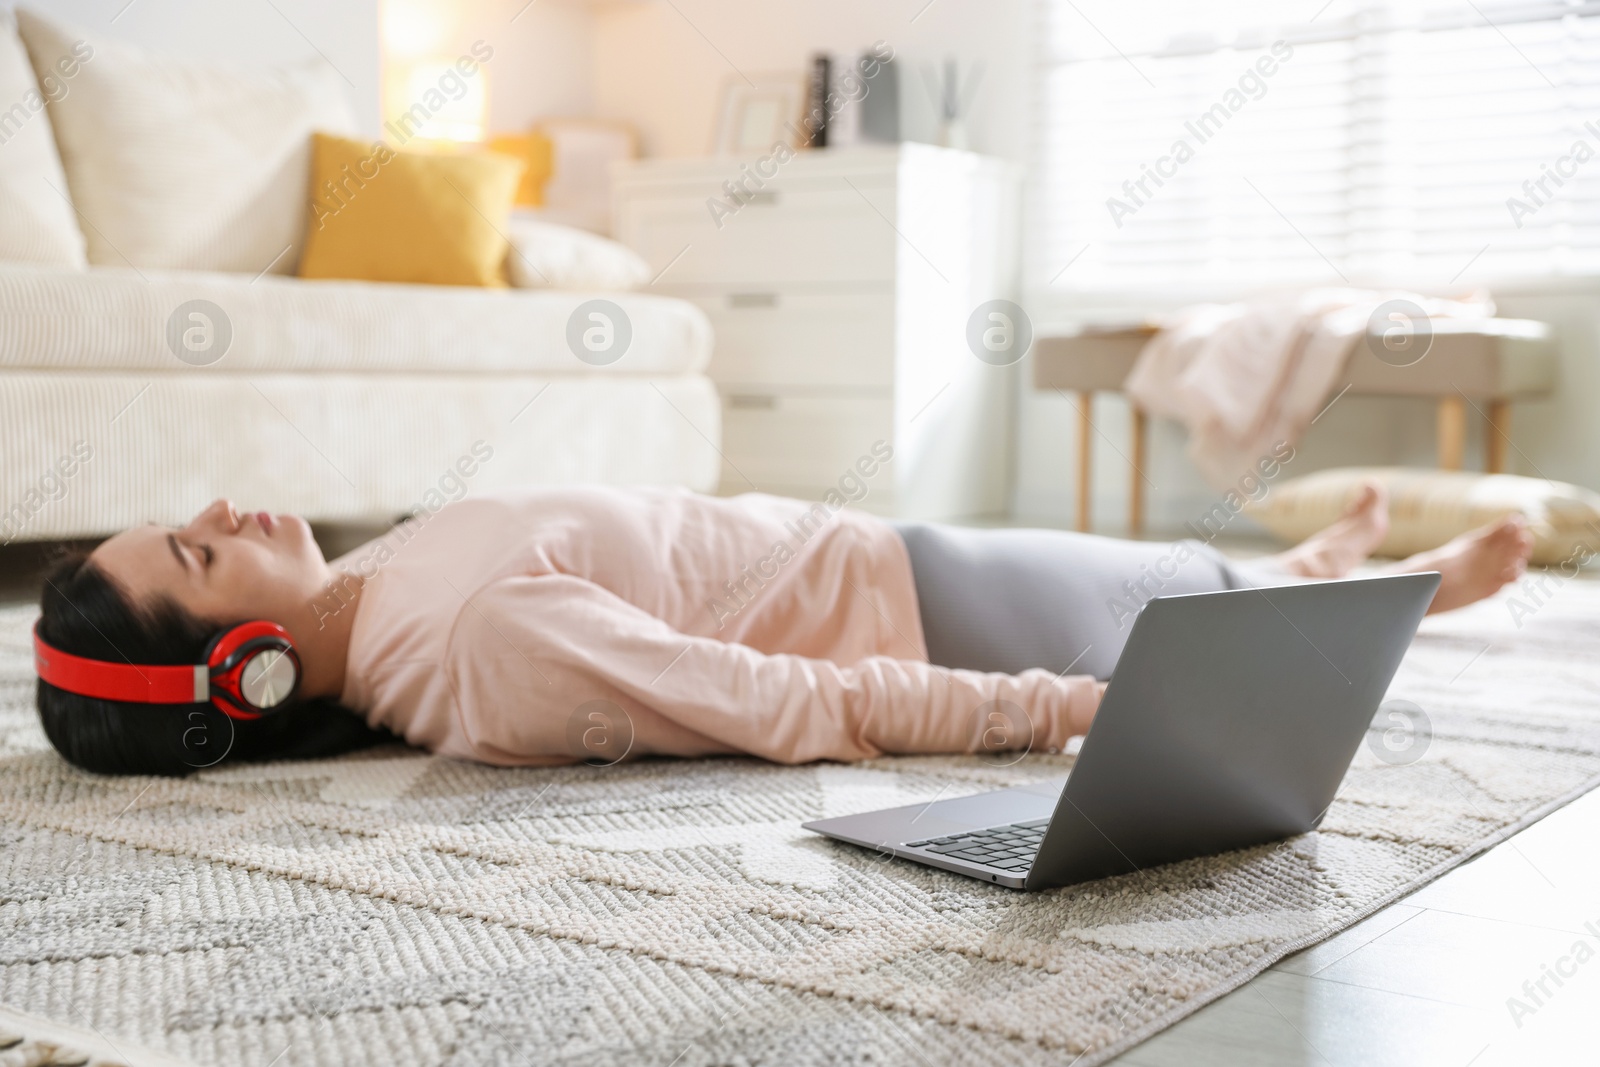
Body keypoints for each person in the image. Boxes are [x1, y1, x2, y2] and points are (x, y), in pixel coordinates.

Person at [34, 484, 1532, 776]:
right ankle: (1390, 590)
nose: (226, 510)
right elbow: (773, 699)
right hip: (924, 603)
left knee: (1173, 566)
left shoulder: (392, 589)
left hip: (876, 543)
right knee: (1217, 613)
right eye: (201, 551)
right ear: (249, 666)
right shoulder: (486, 645)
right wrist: (1064, 711)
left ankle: (1302, 555)